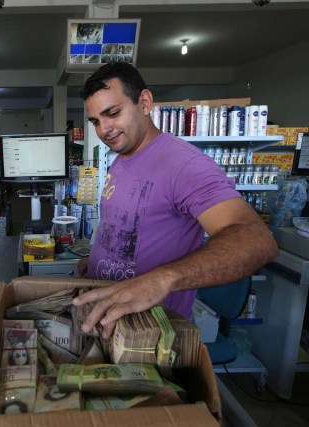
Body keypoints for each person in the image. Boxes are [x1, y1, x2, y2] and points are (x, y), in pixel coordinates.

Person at [71, 62, 278, 339]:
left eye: (113, 113)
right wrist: (98, 260)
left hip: (153, 334)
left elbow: (256, 240)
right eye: (96, 121)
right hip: (111, 320)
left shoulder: (183, 164)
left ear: (144, 102)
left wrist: (163, 279)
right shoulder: (121, 160)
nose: (104, 129)